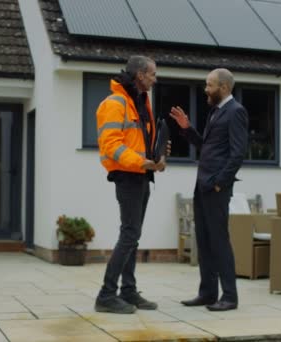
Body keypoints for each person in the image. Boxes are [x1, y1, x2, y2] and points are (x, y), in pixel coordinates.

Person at [169, 68, 248, 311]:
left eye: (209, 85)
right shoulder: (215, 111)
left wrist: (218, 183)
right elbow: (207, 147)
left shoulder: (236, 112)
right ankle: (208, 293)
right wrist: (187, 129)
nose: (206, 89)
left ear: (223, 87)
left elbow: (238, 154)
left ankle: (230, 297)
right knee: (203, 240)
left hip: (215, 188)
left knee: (219, 241)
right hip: (202, 186)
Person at [94, 55, 166, 314]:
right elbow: (111, 145)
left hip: (141, 175)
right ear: (139, 75)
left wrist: (159, 156)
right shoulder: (114, 103)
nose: (155, 80)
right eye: (152, 75)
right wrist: (142, 163)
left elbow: (142, 140)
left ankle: (128, 291)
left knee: (132, 236)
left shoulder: (139, 102)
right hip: (128, 176)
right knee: (129, 234)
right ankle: (106, 294)